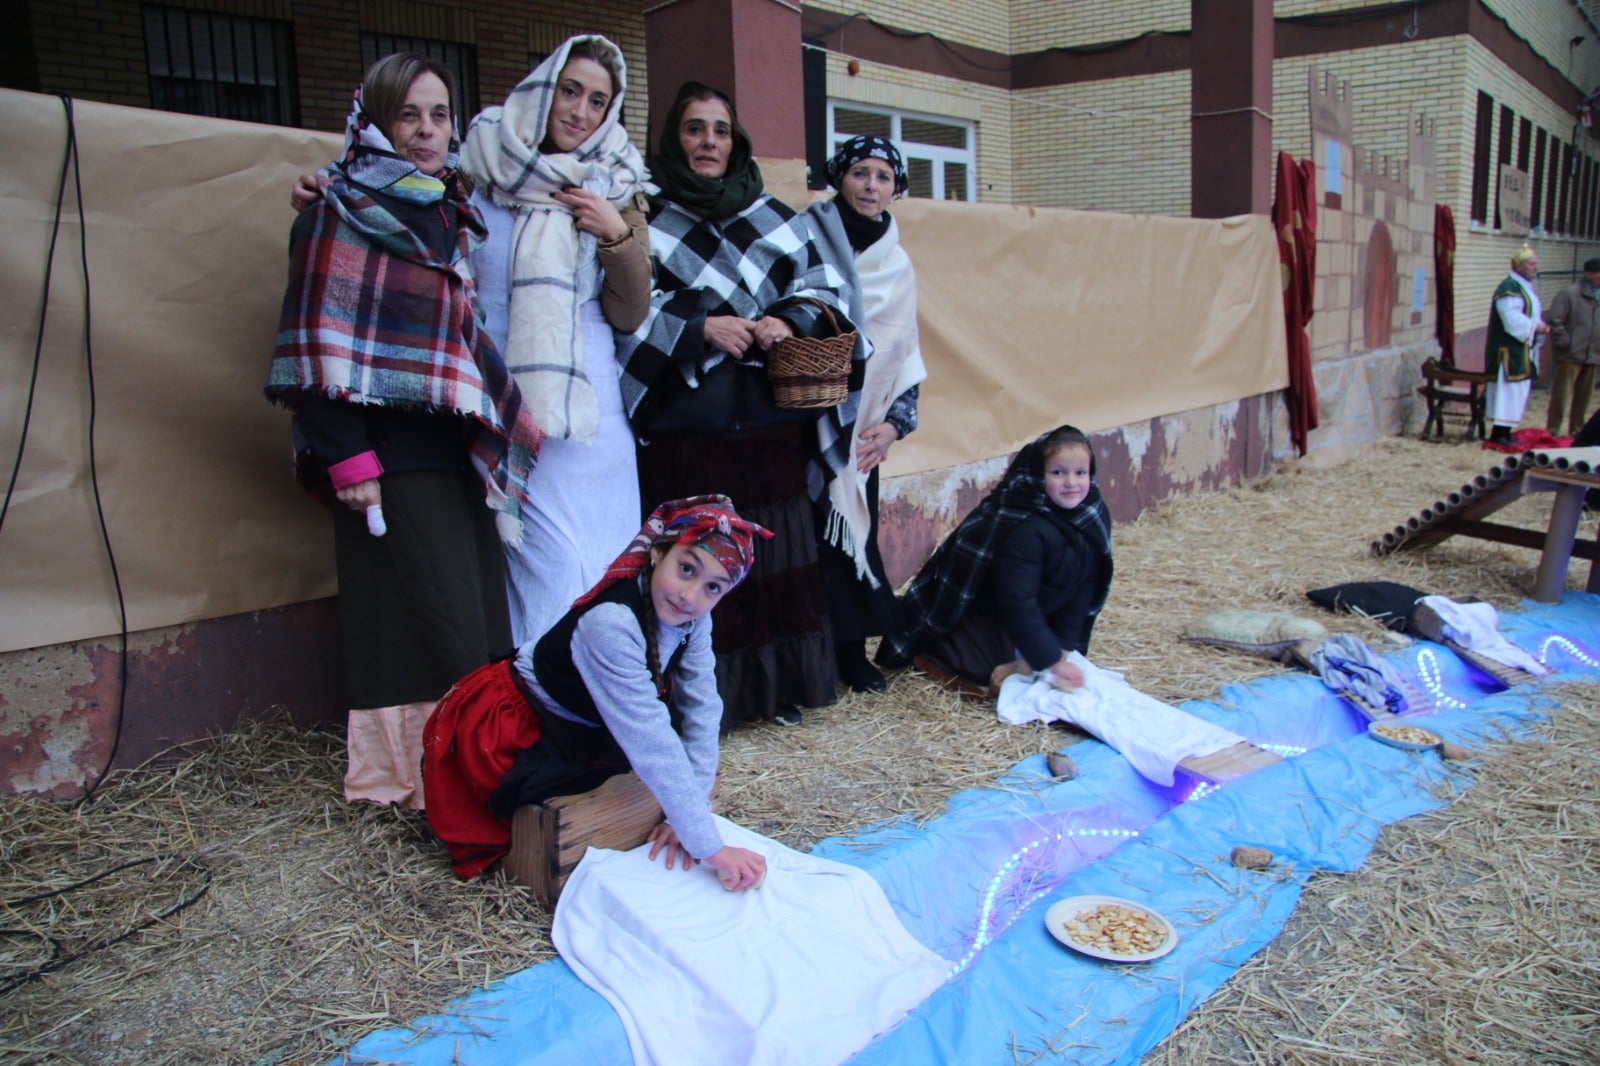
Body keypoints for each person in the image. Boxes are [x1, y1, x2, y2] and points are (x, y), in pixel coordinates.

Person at [293, 37, 654, 647]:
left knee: (605, 565)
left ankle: (604, 708)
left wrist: (617, 236)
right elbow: (398, 183)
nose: (580, 112)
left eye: (598, 100)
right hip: (503, 404)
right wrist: (326, 190)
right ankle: (538, 706)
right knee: (546, 568)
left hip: (591, 417)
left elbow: (630, 311)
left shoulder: (617, 186)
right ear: (543, 90)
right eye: (569, 91)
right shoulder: (478, 170)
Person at [265, 53, 541, 809]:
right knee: (425, 624)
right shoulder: (334, 209)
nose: (426, 131)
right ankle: (421, 783)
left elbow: (456, 338)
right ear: (377, 120)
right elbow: (314, 343)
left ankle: (464, 774)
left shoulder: (451, 208)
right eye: (409, 115)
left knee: (475, 615)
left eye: (440, 114)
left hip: (451, 449)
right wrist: (349, 457)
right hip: (385, 461)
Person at [615, 82, 854, 727]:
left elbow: (822, 290)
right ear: (674, 139)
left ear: (736, 141)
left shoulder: (775, 216)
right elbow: (623, 308)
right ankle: (699, 707)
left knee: (771, 562)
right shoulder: (643, 215)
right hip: (690, 432)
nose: (708, 143)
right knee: (695, 562)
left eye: (720, 131)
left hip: (768, 429)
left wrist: (788, 321)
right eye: (695, 129)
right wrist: (700, 330)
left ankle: (773, 694)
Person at [421, 495, 771, 891]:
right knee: (536, 826)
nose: (690, 595)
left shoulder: (695, 618)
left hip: (587, 719)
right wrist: (711, 848)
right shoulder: (609, 625)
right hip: (521, 725)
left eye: (712, 587)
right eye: (686, 568)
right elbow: (652, 741)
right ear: (658, 553)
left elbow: (704, 706)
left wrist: (691, 815)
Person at [805, 135, 928, 694]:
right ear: (839, 178)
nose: (871, 186)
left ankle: (852, 655)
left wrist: (894, 426)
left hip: (861, 437)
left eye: (883, 176)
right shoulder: (808, 239)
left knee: (849, 540)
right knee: (800, 544)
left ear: (895, 189)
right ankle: (807, 663)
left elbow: (905, 352)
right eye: (860, 173)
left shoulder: (898, 266)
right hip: (800, 422)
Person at [876, 425, 1114, 696]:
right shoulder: (1024, 526)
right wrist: (1050, 660)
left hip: (1040, 608)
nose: (1071, 482)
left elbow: (1086, 585)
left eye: (1080, 473)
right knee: (985, 671)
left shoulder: (1092, 518)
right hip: (991, 611)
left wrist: (1062, 647)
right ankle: (935, 647)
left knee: (1035, 660)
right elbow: (1017, 600)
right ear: (1037, 475)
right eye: (1058, 472)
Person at [1484, 243, 1550, 445]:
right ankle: (1498, 433)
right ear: (1518, 266)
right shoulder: (1509, 288)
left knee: (1517, 392)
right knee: (1506, 392)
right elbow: (1511, 318)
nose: (1535, 267)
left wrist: (1539, 326)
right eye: (1531, 263)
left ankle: (1506, 430)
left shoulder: (1524, 287)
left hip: (1521, 349)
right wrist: (1534, 328)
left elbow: (1530, 314)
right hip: (1508, 351)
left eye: (1535, 263)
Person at [1543, 257, 1600, 438]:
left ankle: (1577, 431)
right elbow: (1555, 320)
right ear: (1589, 274)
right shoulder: (1570, 294)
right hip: (1571, 354)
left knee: (1584, 397)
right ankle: (1552, 429)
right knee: (1561, 395)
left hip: (1593, 354)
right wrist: (1566, 343)